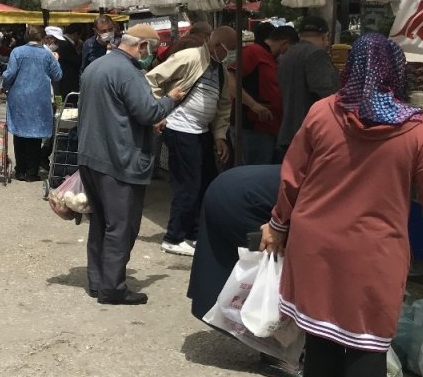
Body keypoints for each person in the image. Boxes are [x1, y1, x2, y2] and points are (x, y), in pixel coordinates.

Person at [261, 33, 423, 377]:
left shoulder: (322, 112)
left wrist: (279, 225)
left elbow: (292, 179)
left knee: (321, 342)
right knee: (367, 344)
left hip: (315, 248)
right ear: (398, 73)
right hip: (374, 253)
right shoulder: (419, 130)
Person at [77, 24, 184, 305]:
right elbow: (147, 112)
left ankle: (97, 281)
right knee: (121, 226)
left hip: (92, 156)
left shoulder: (95, 67)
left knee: (100, 222)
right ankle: (113, 288)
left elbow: (116, 111)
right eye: (150, 49)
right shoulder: (128, 72)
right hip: (118, 159)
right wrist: (170, 101)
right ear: (142, 47)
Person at [185, 165, 297, 374]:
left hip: (232, 186)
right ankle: (278, 356)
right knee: (277, 275)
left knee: (262, 268)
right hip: (244, 198)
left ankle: (274, 346)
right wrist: (277, 225)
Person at [145, 27, 238, 257]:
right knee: (188, 184)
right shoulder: (190, 57)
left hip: (201, 131)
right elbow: (152, 79)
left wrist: (219, 136)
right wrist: (159, 112)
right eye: (231, 51)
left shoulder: (221, 71)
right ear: (218, 46)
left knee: (207, 183)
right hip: (180, 128)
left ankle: (194, 233)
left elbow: (223, 105)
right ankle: (174, 236)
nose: (232, 56)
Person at [0, 27, 62, 182]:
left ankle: (20, 170)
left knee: (19, 133)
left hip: (19, 97)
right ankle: (32, 172)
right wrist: (56, 60)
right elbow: (57, 75)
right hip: (39, 99)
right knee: (35, 135)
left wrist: (2, 87)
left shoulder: (17, 52)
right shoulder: (47, 55)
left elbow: (10, 73)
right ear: (43, 38)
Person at [275, 16, 339, 163]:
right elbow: (326, 94)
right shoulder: (317, 54)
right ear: (325, 36)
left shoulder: (287, 55)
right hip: (310, 136)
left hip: (289, 132)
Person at [238, 25, 298, 166]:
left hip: (270, 127)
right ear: (285, 44)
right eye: (290, 49)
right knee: (255, 172)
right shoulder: (253, 51)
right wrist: (254, 105)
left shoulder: (272, 58)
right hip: (253, 128)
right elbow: (231, 79)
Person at [48, 25, 81, 98]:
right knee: (61, 99)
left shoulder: (62, 44)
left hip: (60, 79)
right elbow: (76, 61)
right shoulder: (65, 45)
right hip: (64, 80)